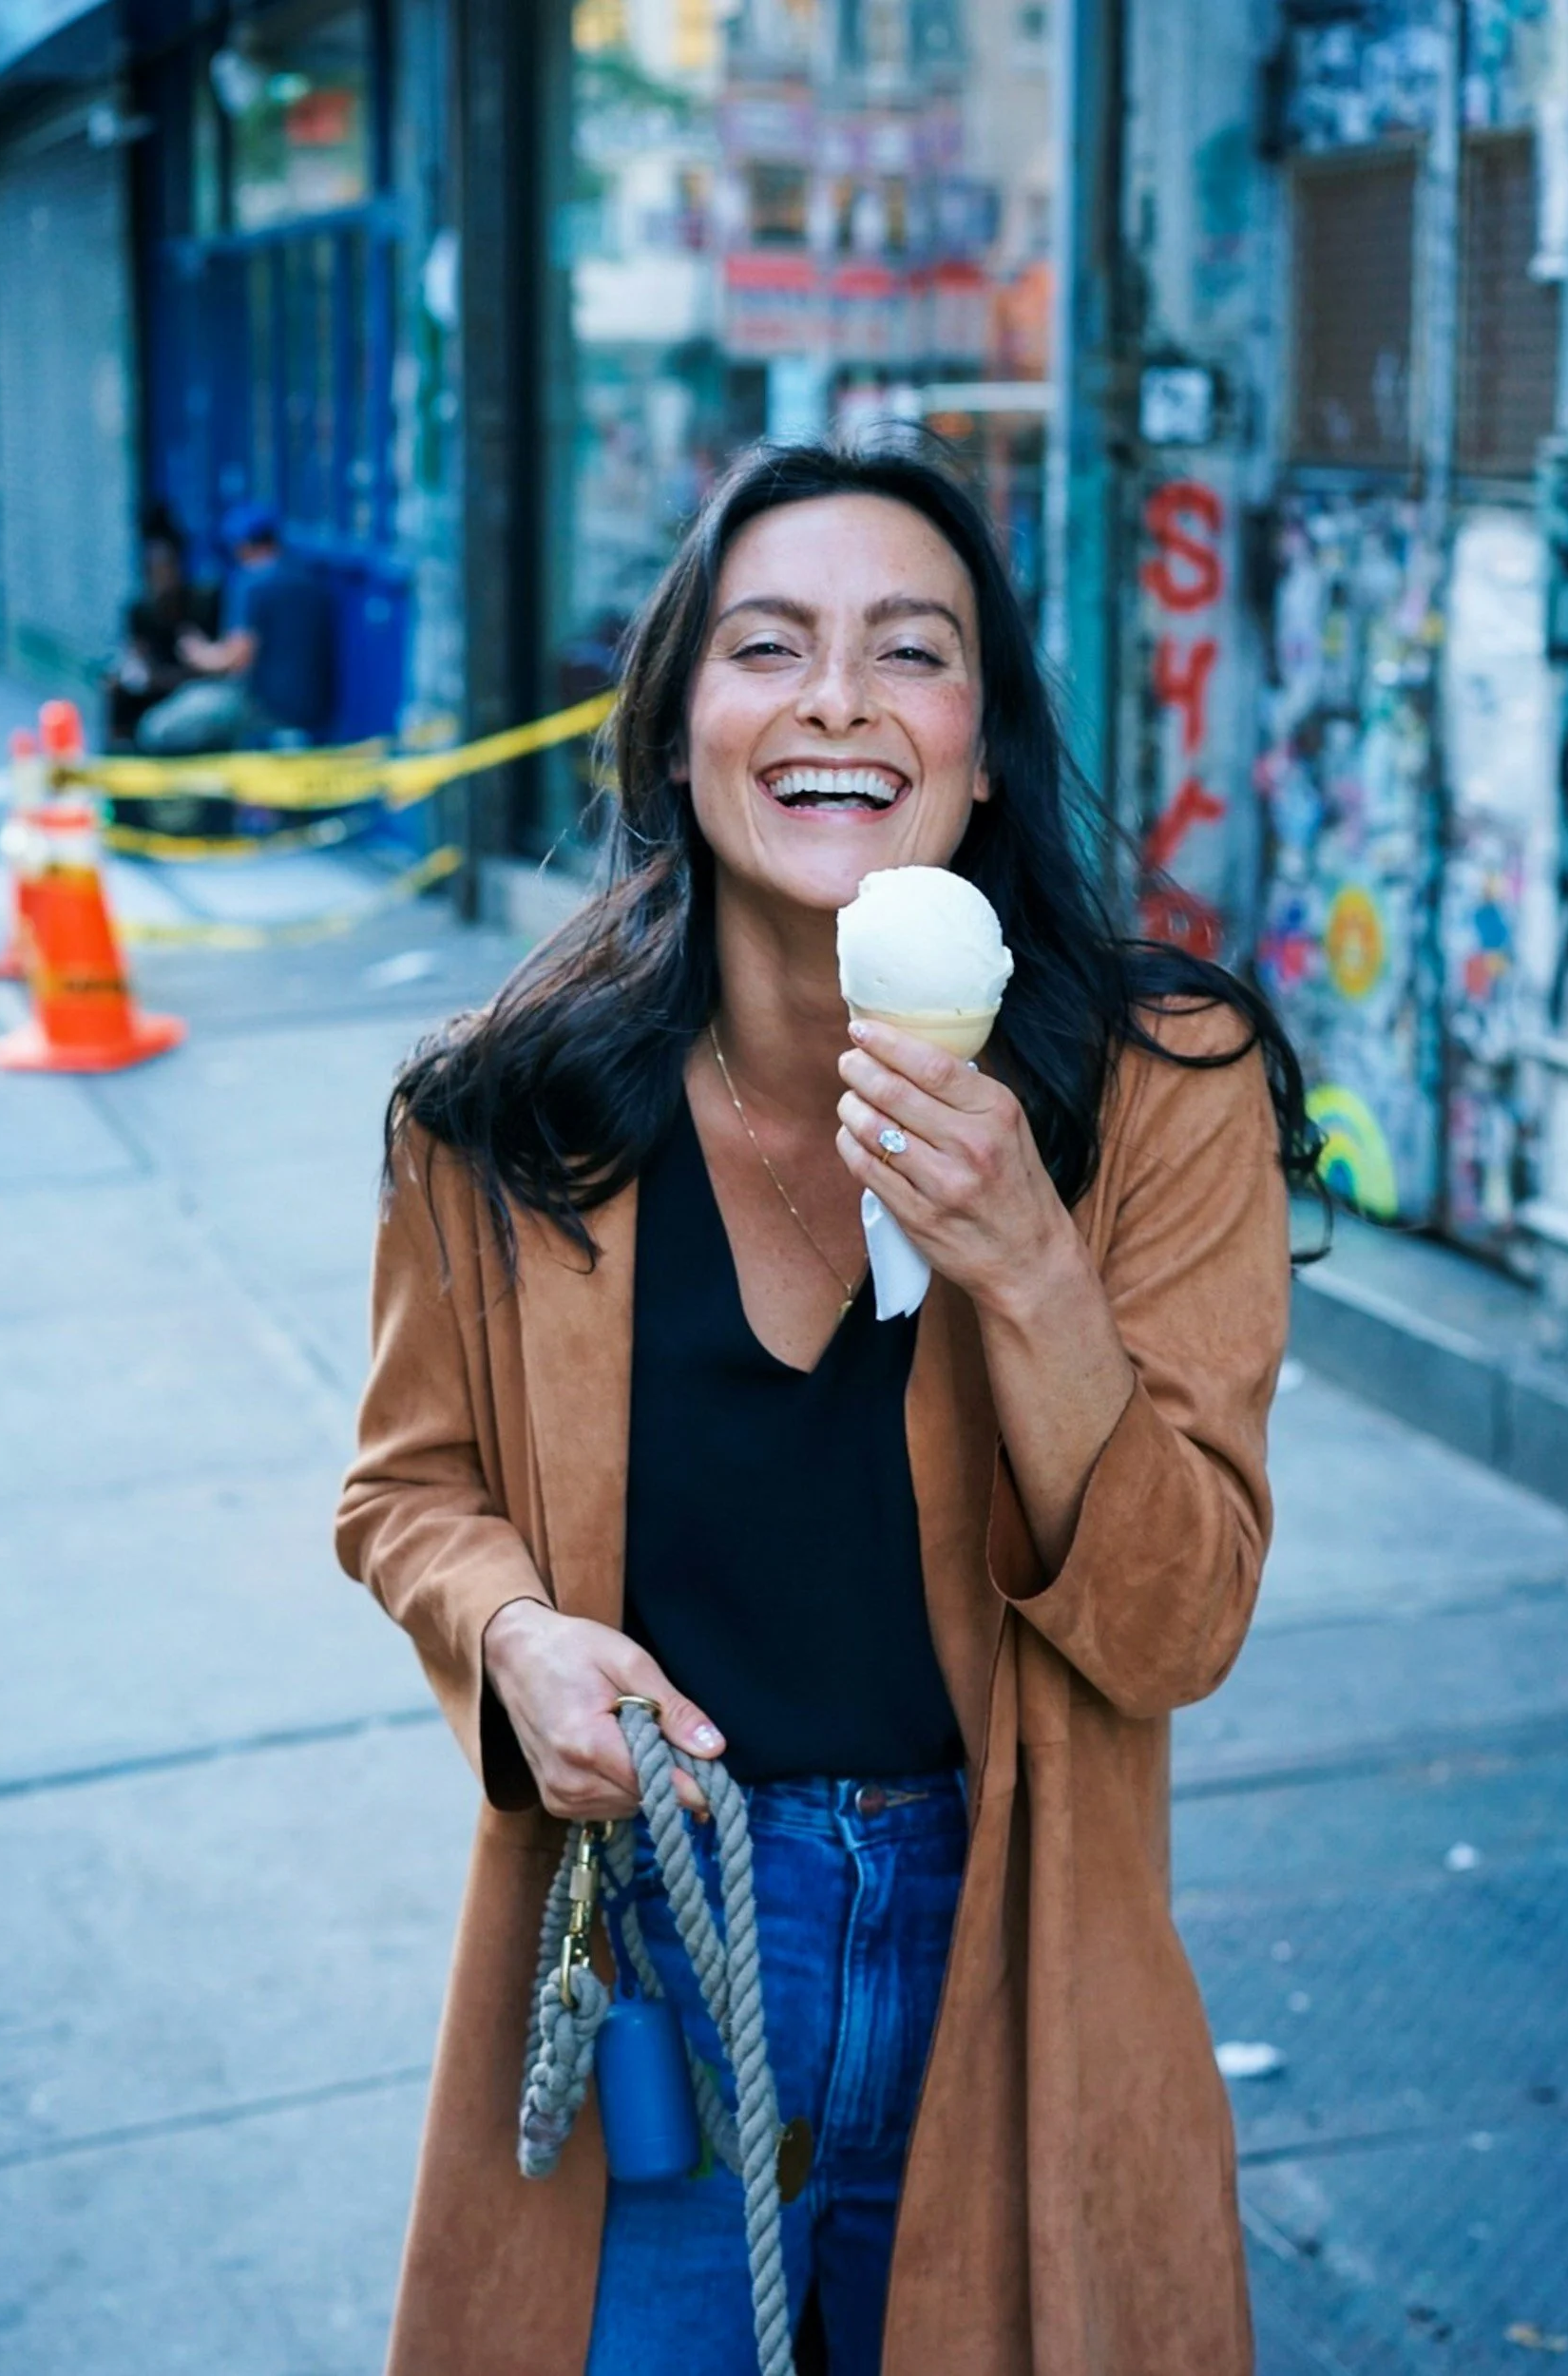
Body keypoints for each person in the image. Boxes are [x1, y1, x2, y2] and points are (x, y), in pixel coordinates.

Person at [335, 433, 1318, 2376]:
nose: (839, 701)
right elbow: (407, 1487)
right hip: (659, 1945)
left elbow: (1177, 1616)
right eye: (766, 645)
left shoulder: (1157, 1091)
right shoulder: (507, 1109)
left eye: (911, 650)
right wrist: (513, 1637)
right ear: (681, 723)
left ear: (981, 736)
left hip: (1009, 1933)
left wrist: (1026, 1262)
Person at [135, 503, 334, 755]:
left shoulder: (251, 583)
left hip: (262, 708)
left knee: (156, 730)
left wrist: (199, 652)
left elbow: (236, 658)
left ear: (244, 545)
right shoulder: (309, 580)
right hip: (315, 710)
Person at [104, 503, 220, 751]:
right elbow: (136, 659)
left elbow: (210, 663)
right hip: (157, 682)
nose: (163, 579)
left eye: (168, 569)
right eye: (155, 572)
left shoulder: (202, 604)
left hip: (192, 687)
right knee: (115, 689)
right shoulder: (141, 611)